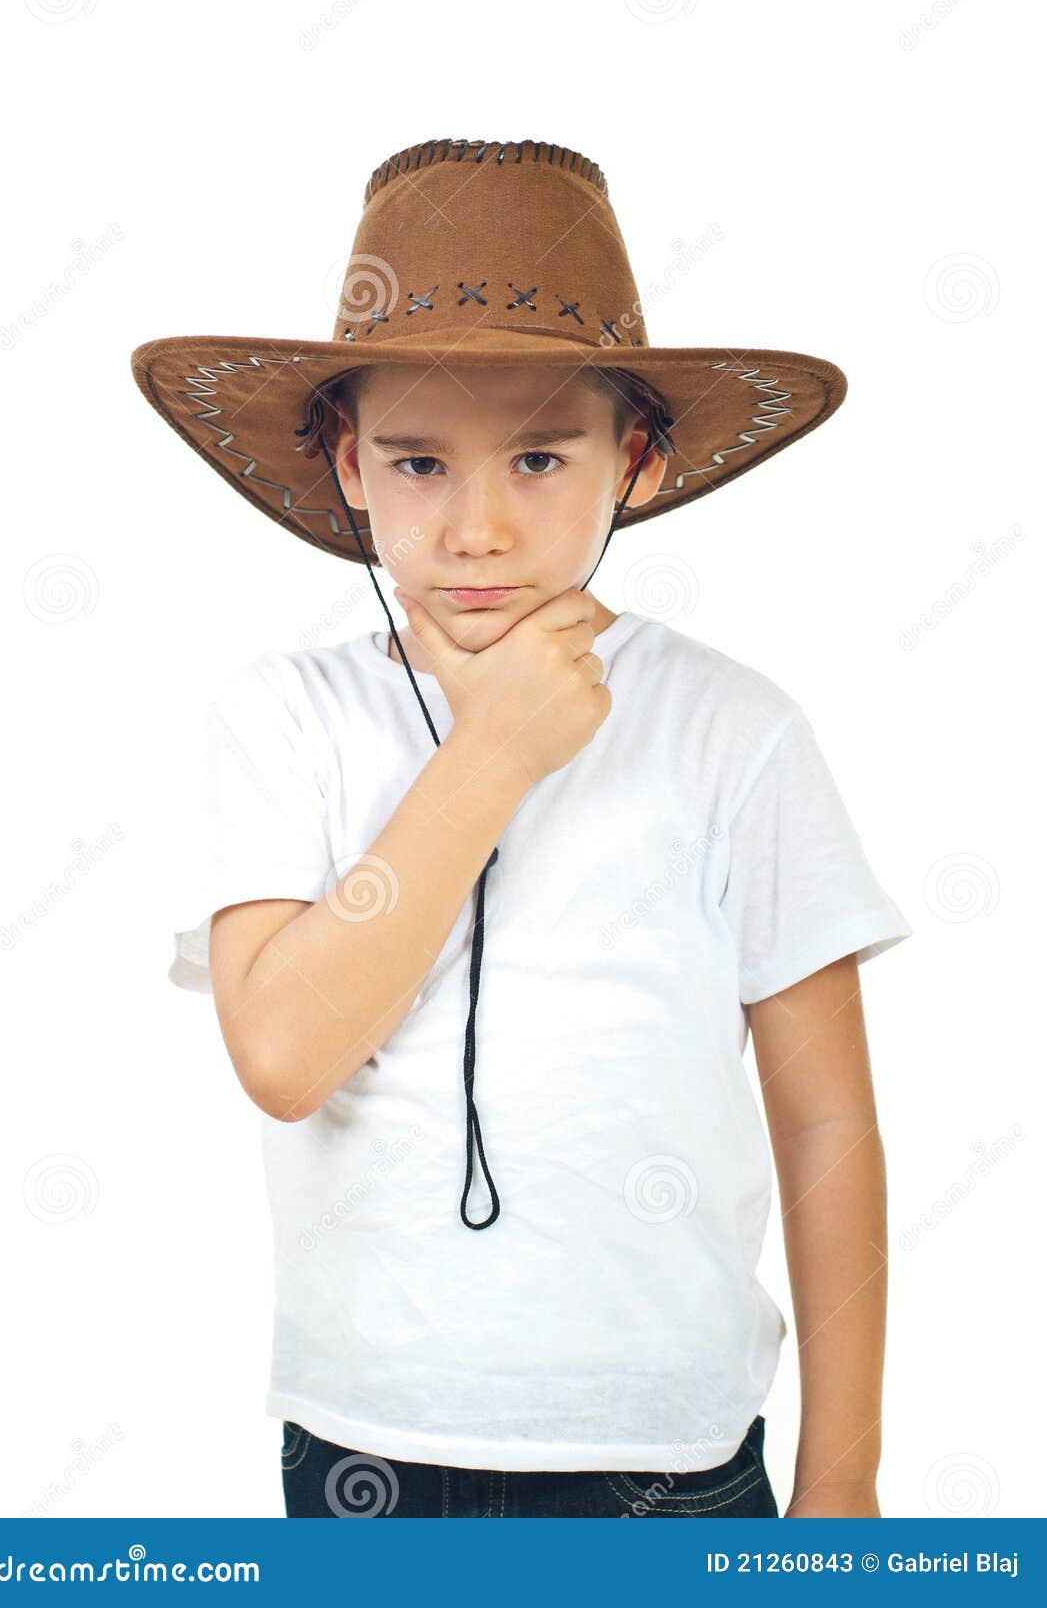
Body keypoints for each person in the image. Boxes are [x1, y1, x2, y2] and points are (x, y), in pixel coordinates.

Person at [132, 138, 913, 1518]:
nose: (478, 527)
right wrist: (492, 752)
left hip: (667, 1461)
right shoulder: (286, 720)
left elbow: (825, 1122)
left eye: (541, 457)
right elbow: (285, 1055)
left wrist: (843, 1476)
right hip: (366, 1450)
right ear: (349, 465)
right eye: (420, 461)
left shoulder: (736, 732)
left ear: (638, 461)